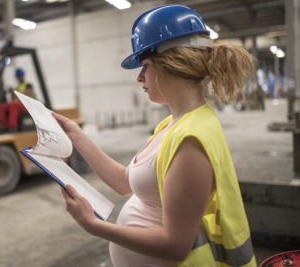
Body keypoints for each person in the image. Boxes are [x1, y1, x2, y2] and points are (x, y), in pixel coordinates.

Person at [52, 5, 256, 267]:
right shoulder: (171, 125)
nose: (139, 77)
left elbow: (175, 245)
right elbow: (126, 181)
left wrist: (93, 225)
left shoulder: (190, 140)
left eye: (145, 66)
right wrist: (76, 135)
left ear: (173, 63)